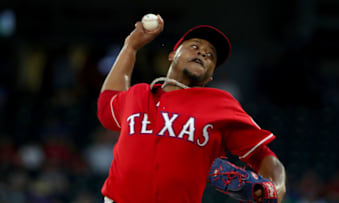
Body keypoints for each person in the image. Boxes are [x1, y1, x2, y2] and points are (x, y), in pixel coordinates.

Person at [97, 14, 286, 203]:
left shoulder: (219, 104)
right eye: (195, 47)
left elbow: (264, 157)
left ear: (210, 76)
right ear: (172, 55)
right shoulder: (137, 94)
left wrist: (274, 190)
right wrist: (131, 46)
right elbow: (106, 107)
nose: (203, 53)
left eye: (210, 55)